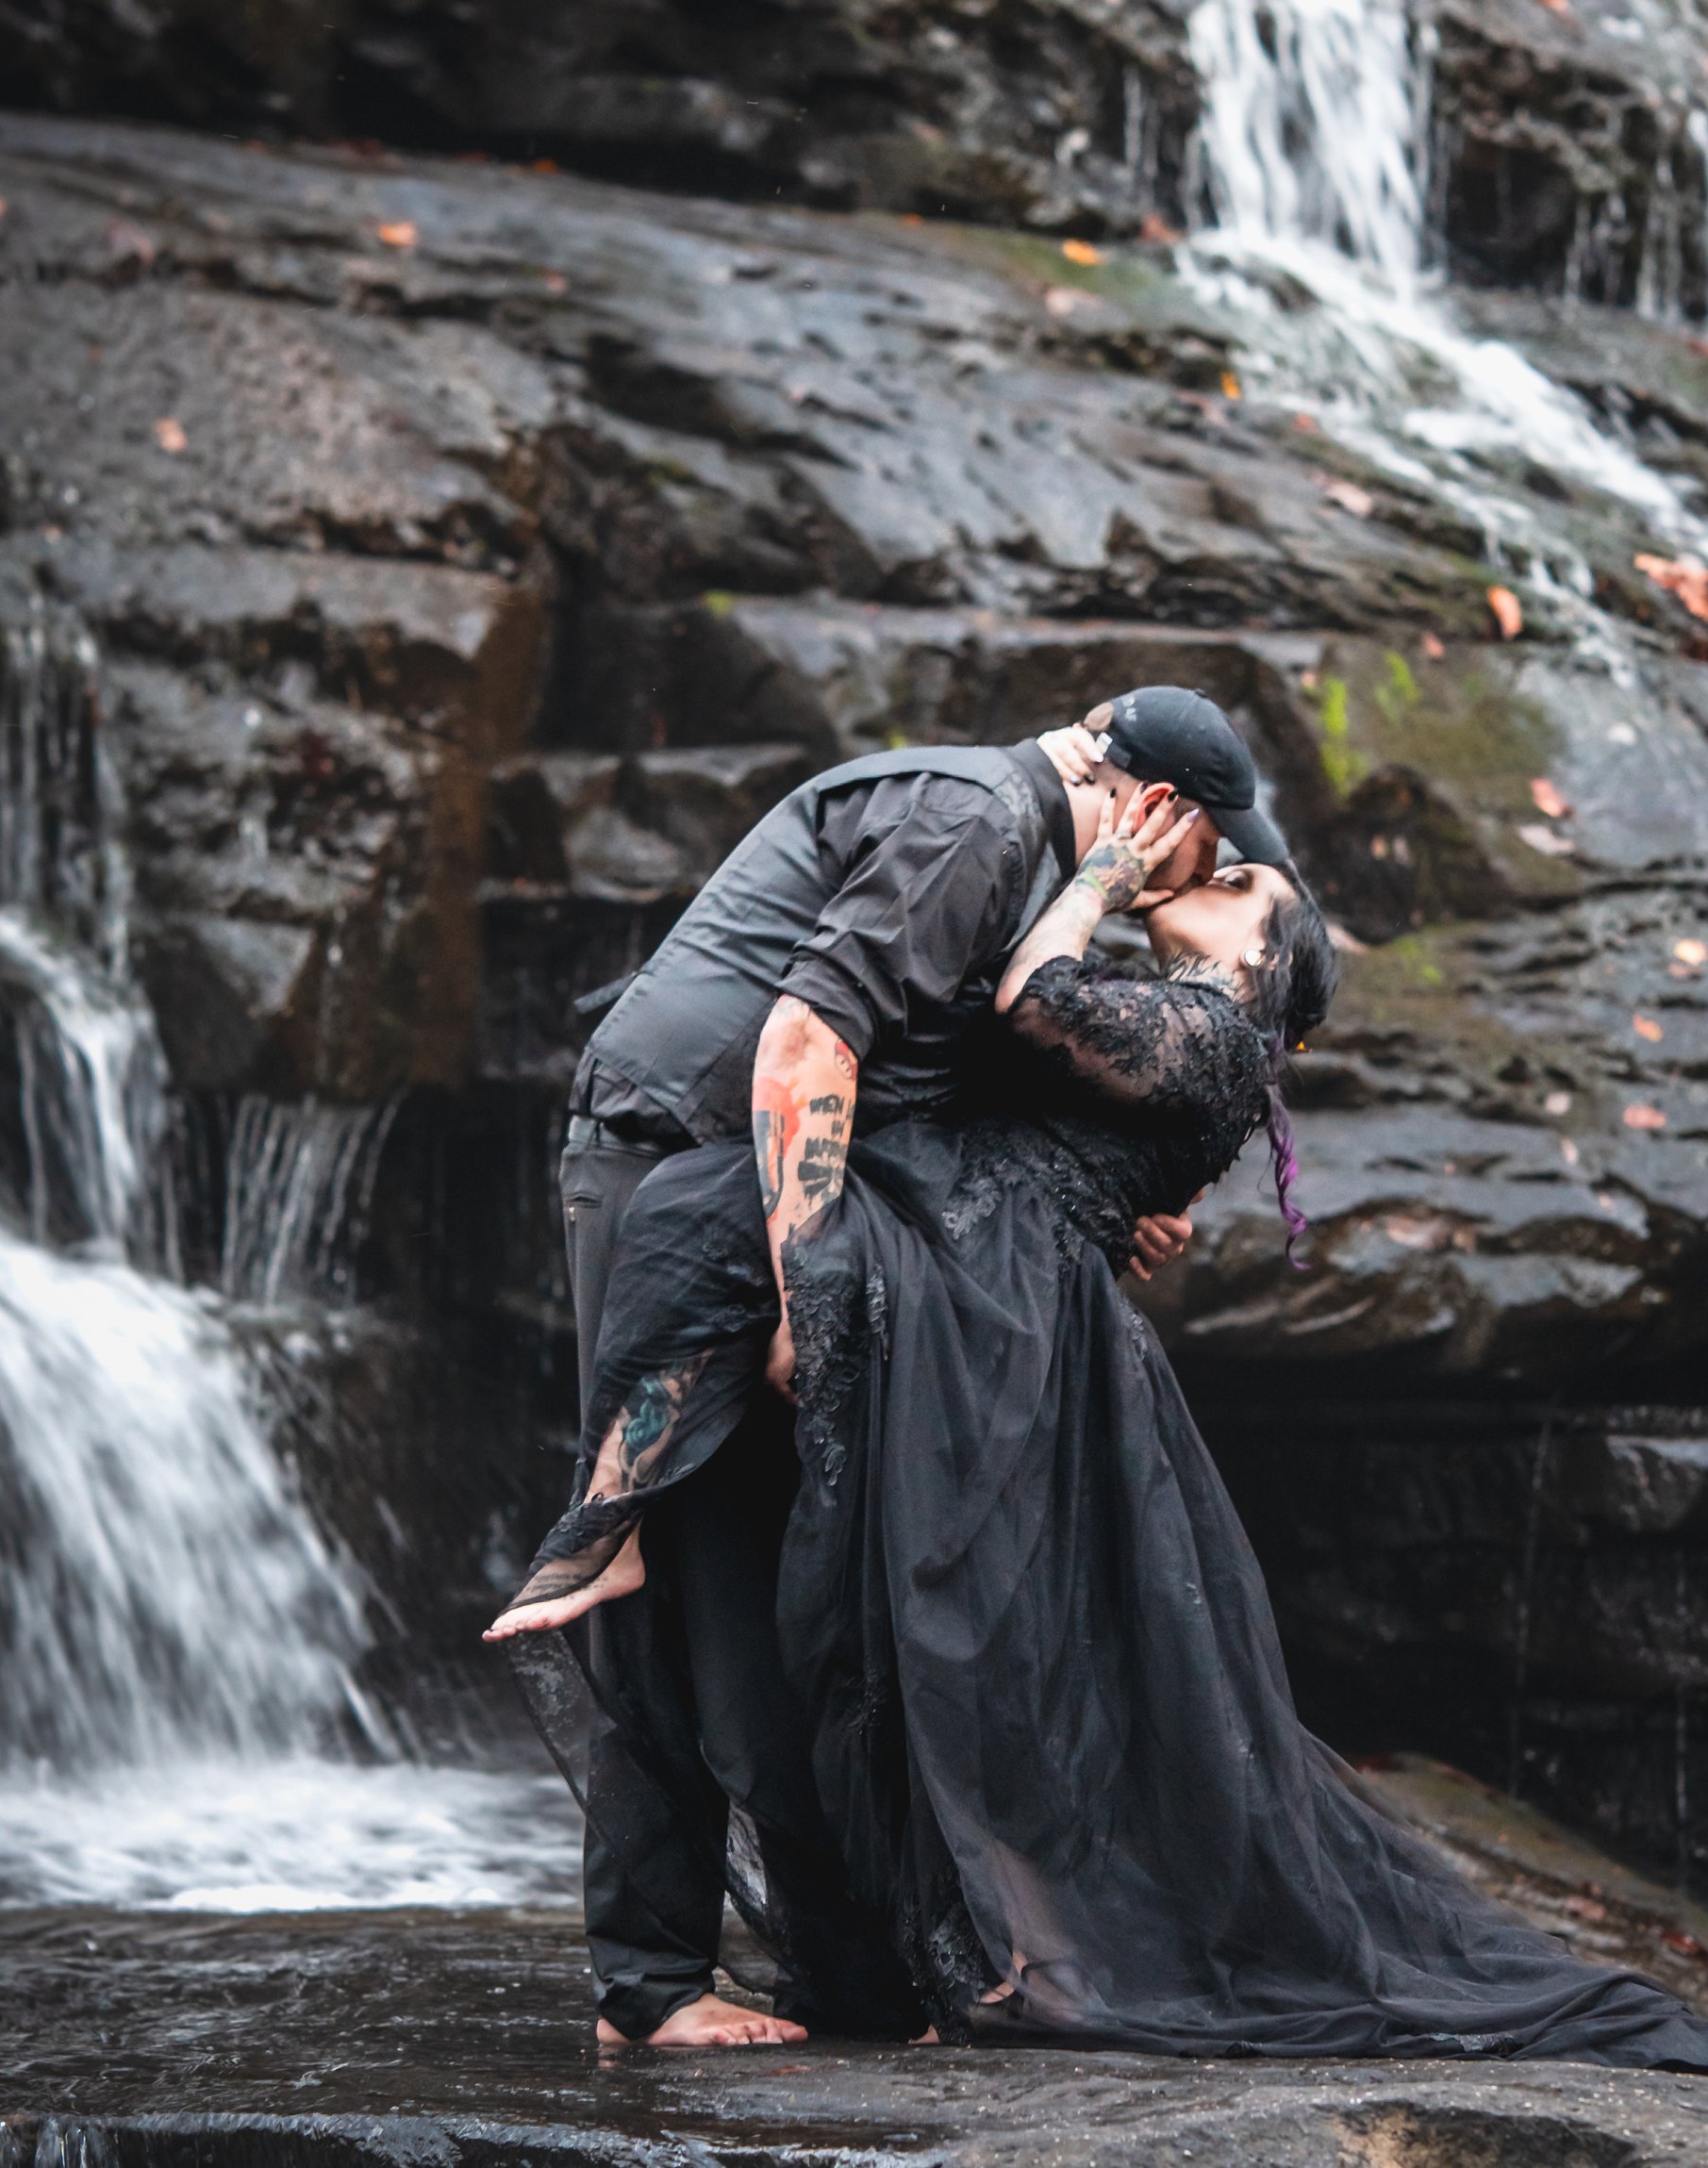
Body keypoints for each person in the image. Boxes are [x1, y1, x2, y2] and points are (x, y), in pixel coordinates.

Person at [494, 798, 1708, 2168]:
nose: (1218, 871)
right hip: (977, 1279)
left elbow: (1033, 1003)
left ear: (1263, 962)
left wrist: (1101, 874)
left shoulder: (1211, 1032)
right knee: (880, 1543)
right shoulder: (1177, 1029)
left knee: (954, 1636)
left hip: (996, 1319)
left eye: (1243, 885)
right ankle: (628, 1540)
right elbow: (1026, 1071)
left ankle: (927, 1898)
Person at [537, 688, 1294, 2050]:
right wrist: (805, 1289)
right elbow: (806, 1045)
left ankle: (842, 1978)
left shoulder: (1023, 856)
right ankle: (649, 1982)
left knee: (788, 1597)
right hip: (681, 1183)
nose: (1180, 888)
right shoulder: (980, 821)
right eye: (1207, 854)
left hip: (760, 1200)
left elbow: (935, 1066)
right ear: (1159, 810)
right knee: (687, 1576)